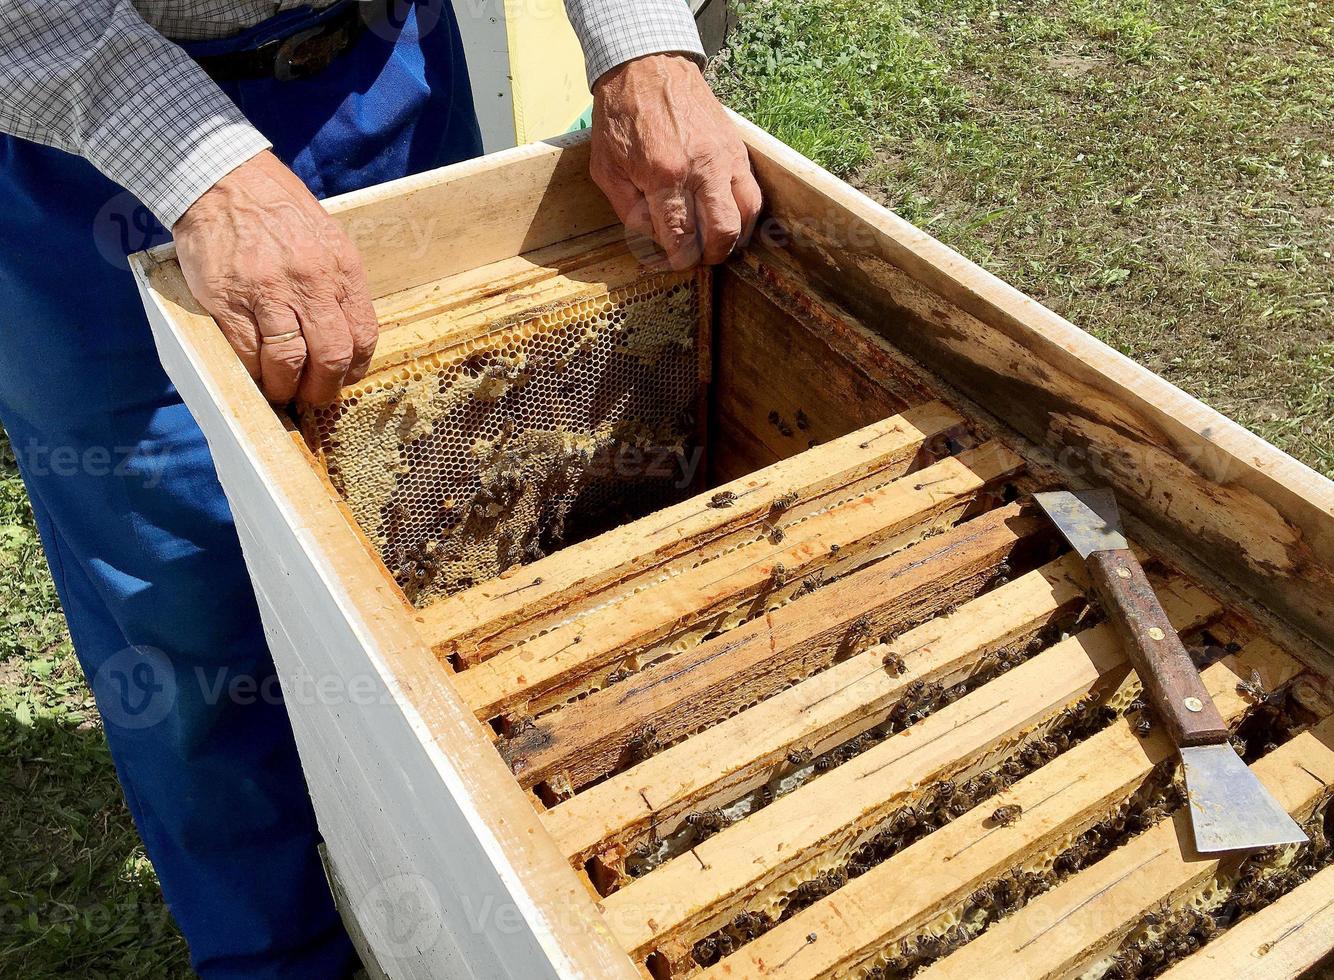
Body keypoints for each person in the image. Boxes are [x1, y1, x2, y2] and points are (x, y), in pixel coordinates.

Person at [0, 0, 762, 975]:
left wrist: (639, 38)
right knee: (188, 639)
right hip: (95, 150)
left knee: (480, 524)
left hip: (391, 72)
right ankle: (281, 955)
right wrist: (197, 169)